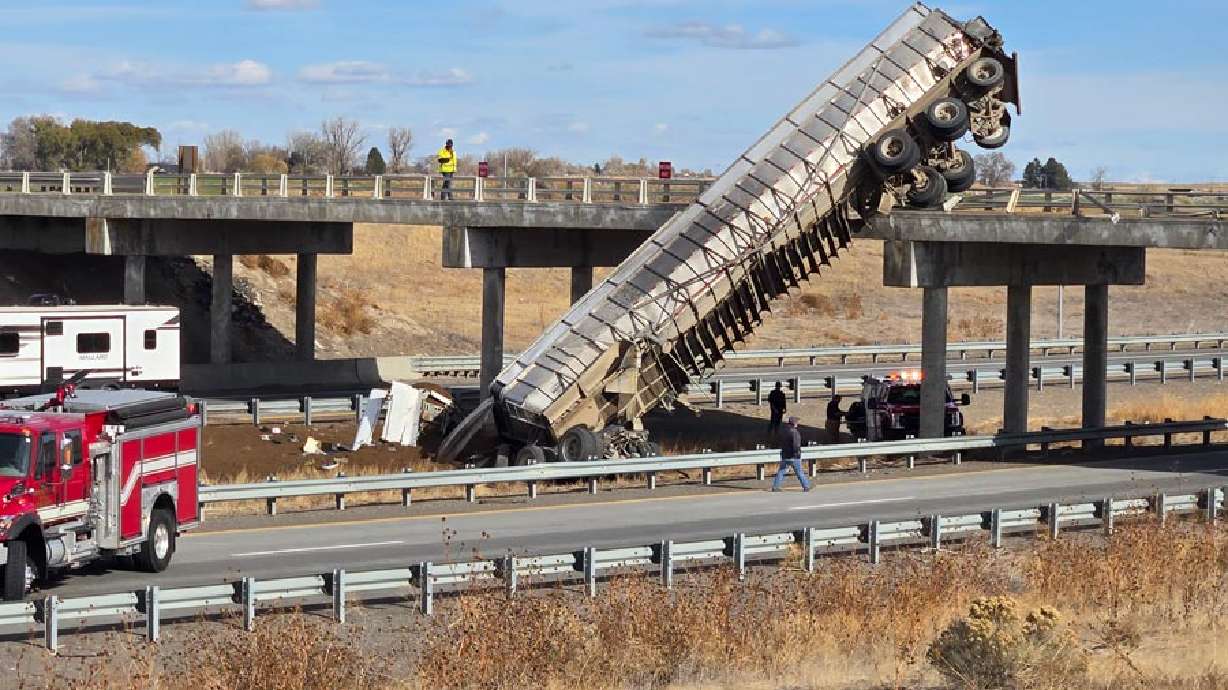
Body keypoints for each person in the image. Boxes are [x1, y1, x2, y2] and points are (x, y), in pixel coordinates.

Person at [771, 416, 811, 492]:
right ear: (794, 423)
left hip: (784, 455)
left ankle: (775, 487)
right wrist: (797, 454)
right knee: (799, 471)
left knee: (781, 471)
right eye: (797, 422)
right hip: (793, 456)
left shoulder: (784, 431)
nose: (797, 424)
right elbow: (796, 445)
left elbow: (781, 442)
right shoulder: (795, 433)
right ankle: (806, 486)